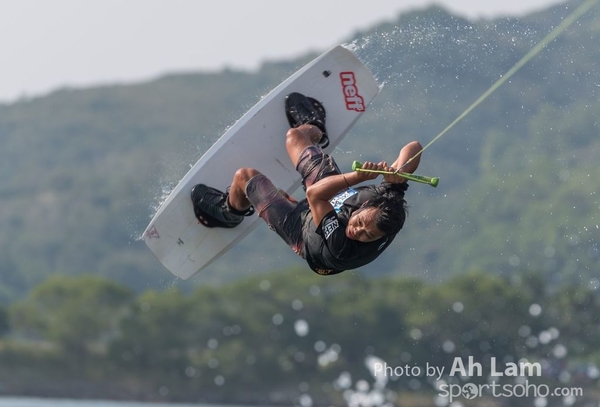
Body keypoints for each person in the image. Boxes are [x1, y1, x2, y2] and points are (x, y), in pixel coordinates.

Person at [191, 92, 422, 275]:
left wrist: (358, 177)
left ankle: (229, 212)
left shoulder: (342, 246)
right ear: (366, 207)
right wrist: (397, 172)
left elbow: (314, 196)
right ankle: (316, 129)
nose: (357, 231)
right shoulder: (388, 205)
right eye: (361, 223)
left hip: (302, 231)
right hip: (334, 199)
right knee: (294, 137)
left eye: (367, 236)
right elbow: (414, 147)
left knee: (244, 177)